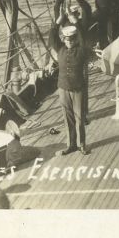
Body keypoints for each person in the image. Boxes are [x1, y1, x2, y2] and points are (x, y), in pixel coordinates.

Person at [48, 24, 90, 155]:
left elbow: (84, 38)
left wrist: (77, 23)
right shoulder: (60, 49)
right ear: (63, 40)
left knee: (79, 118)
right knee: (68, 118)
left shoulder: (81, 50)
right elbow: (52, 38)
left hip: (78, 89)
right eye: (67, 39)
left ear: (76, 39)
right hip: (63, 88)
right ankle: (71, 145)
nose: (69, 42)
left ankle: (81, 144)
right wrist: (57, 22)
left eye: (72, 39)